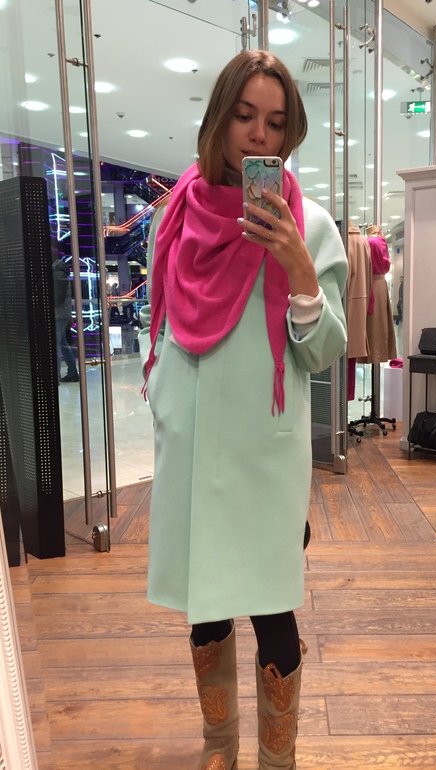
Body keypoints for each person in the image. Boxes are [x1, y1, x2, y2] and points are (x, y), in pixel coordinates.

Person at [139, 50, 347, 770]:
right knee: (205, 607)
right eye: (245, 115)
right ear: (220, 119)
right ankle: (219, 749)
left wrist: (297, 266)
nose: (259, 135)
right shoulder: (176, 215)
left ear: (290, 134)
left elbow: (324, 352)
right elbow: (164, 323)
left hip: (263, 452)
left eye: (276, 123)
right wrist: (167, 410)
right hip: (192, 443)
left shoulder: (309, 224)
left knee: (272, 608)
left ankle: (277, 762)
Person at [52, 254, 79, 383]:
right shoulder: (61, 274)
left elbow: (58, 296)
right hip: (62, 314)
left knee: (56, 345)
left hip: (58, 314)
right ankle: (72, 372)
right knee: (63, 344)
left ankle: (55, 376)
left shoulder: (57, 275)